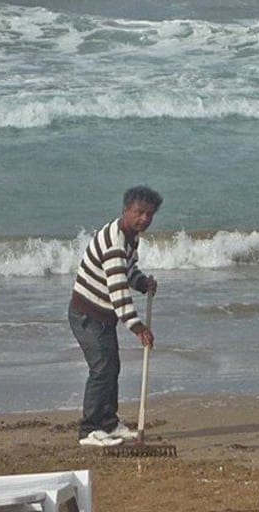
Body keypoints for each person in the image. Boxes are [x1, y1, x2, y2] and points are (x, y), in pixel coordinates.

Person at [67, 185, 163, 447]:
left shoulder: (131, 238)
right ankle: (89, 430)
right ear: (125, 210)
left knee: (112, 367)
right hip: (86, 313)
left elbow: (128, 271)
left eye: (149, 214)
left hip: (103, 315)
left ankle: (109, 423)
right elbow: (117, 287)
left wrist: (142, 283)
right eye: (139, 212)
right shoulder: (115, 241)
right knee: (102, 369)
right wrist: (137, 326)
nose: (144, 219)